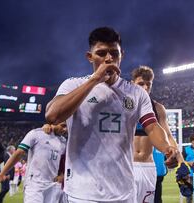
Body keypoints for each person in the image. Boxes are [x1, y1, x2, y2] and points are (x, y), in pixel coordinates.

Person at [45, 27, 177, 202]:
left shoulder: (136, 93)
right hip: (83, 192)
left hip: (124, 191)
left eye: (114, 53)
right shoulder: (73, 85)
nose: (108, 58)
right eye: (101, 53)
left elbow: (152, 127)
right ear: (89, 57)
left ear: (121, 54)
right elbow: (52, 115)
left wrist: (167, 148)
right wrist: (94, 80)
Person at [131, 66, 183, 203]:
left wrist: (180, 160)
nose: (145, 87)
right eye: (141, 84)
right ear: (132, 84)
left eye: (148, 84)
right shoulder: (123, 106)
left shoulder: (157, 108)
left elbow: (168, 136)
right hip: (127, 166)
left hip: (148, 165)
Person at [0, 122, 67, 203]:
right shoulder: (36, 134)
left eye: (66, 126)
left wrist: (62, 175)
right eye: (63, 126)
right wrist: (2, 174)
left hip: (53, 186)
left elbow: (64, 162)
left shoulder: (63, 142)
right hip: (34, 185)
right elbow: (18, 154)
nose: (65, 129)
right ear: (55, 121)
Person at [182, 133, 194, 203]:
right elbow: (181, 161)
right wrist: (188, 162)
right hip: (190, 176)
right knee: (189, 196)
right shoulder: (186, 149)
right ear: (192, 141)